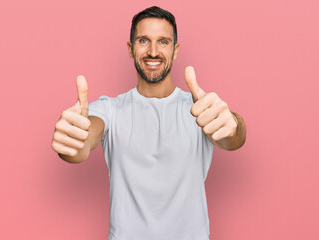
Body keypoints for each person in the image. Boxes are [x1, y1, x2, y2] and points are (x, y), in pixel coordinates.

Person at [51, 6, 246, 240]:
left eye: (163, 42)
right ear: (131, 49)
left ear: (175, 51)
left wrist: (234, 125)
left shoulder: (201, 108)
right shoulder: (110, 109)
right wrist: (73, 141)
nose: (153, 52)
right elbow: (84, 140)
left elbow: (233, 138)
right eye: (144, 40)